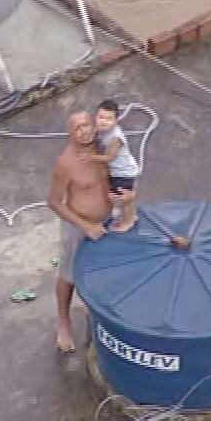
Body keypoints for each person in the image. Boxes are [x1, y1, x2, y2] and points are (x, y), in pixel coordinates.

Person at [48, 111, 112, 352]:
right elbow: (54, 201)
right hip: (79, 226)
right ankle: (63, 322)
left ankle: (96, 314)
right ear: (70, 134)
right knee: (69, 274)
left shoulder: (104, 148)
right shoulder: (66, 163)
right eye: (78, 128)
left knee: (105, 269)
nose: (85, 131)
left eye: (87, 125)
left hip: (107, 221)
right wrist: (86, 226)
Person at [89, 99, 141, 233]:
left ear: (116, 121)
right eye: (101, 117)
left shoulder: (115, 138)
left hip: (124, 172)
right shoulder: (100, 129)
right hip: (114, 171)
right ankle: (122, 214)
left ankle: (130, 219)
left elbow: (108, 157)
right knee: (114, 194)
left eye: (109, 119)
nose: (103, 121)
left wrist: (90, 158)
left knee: (123, 198)